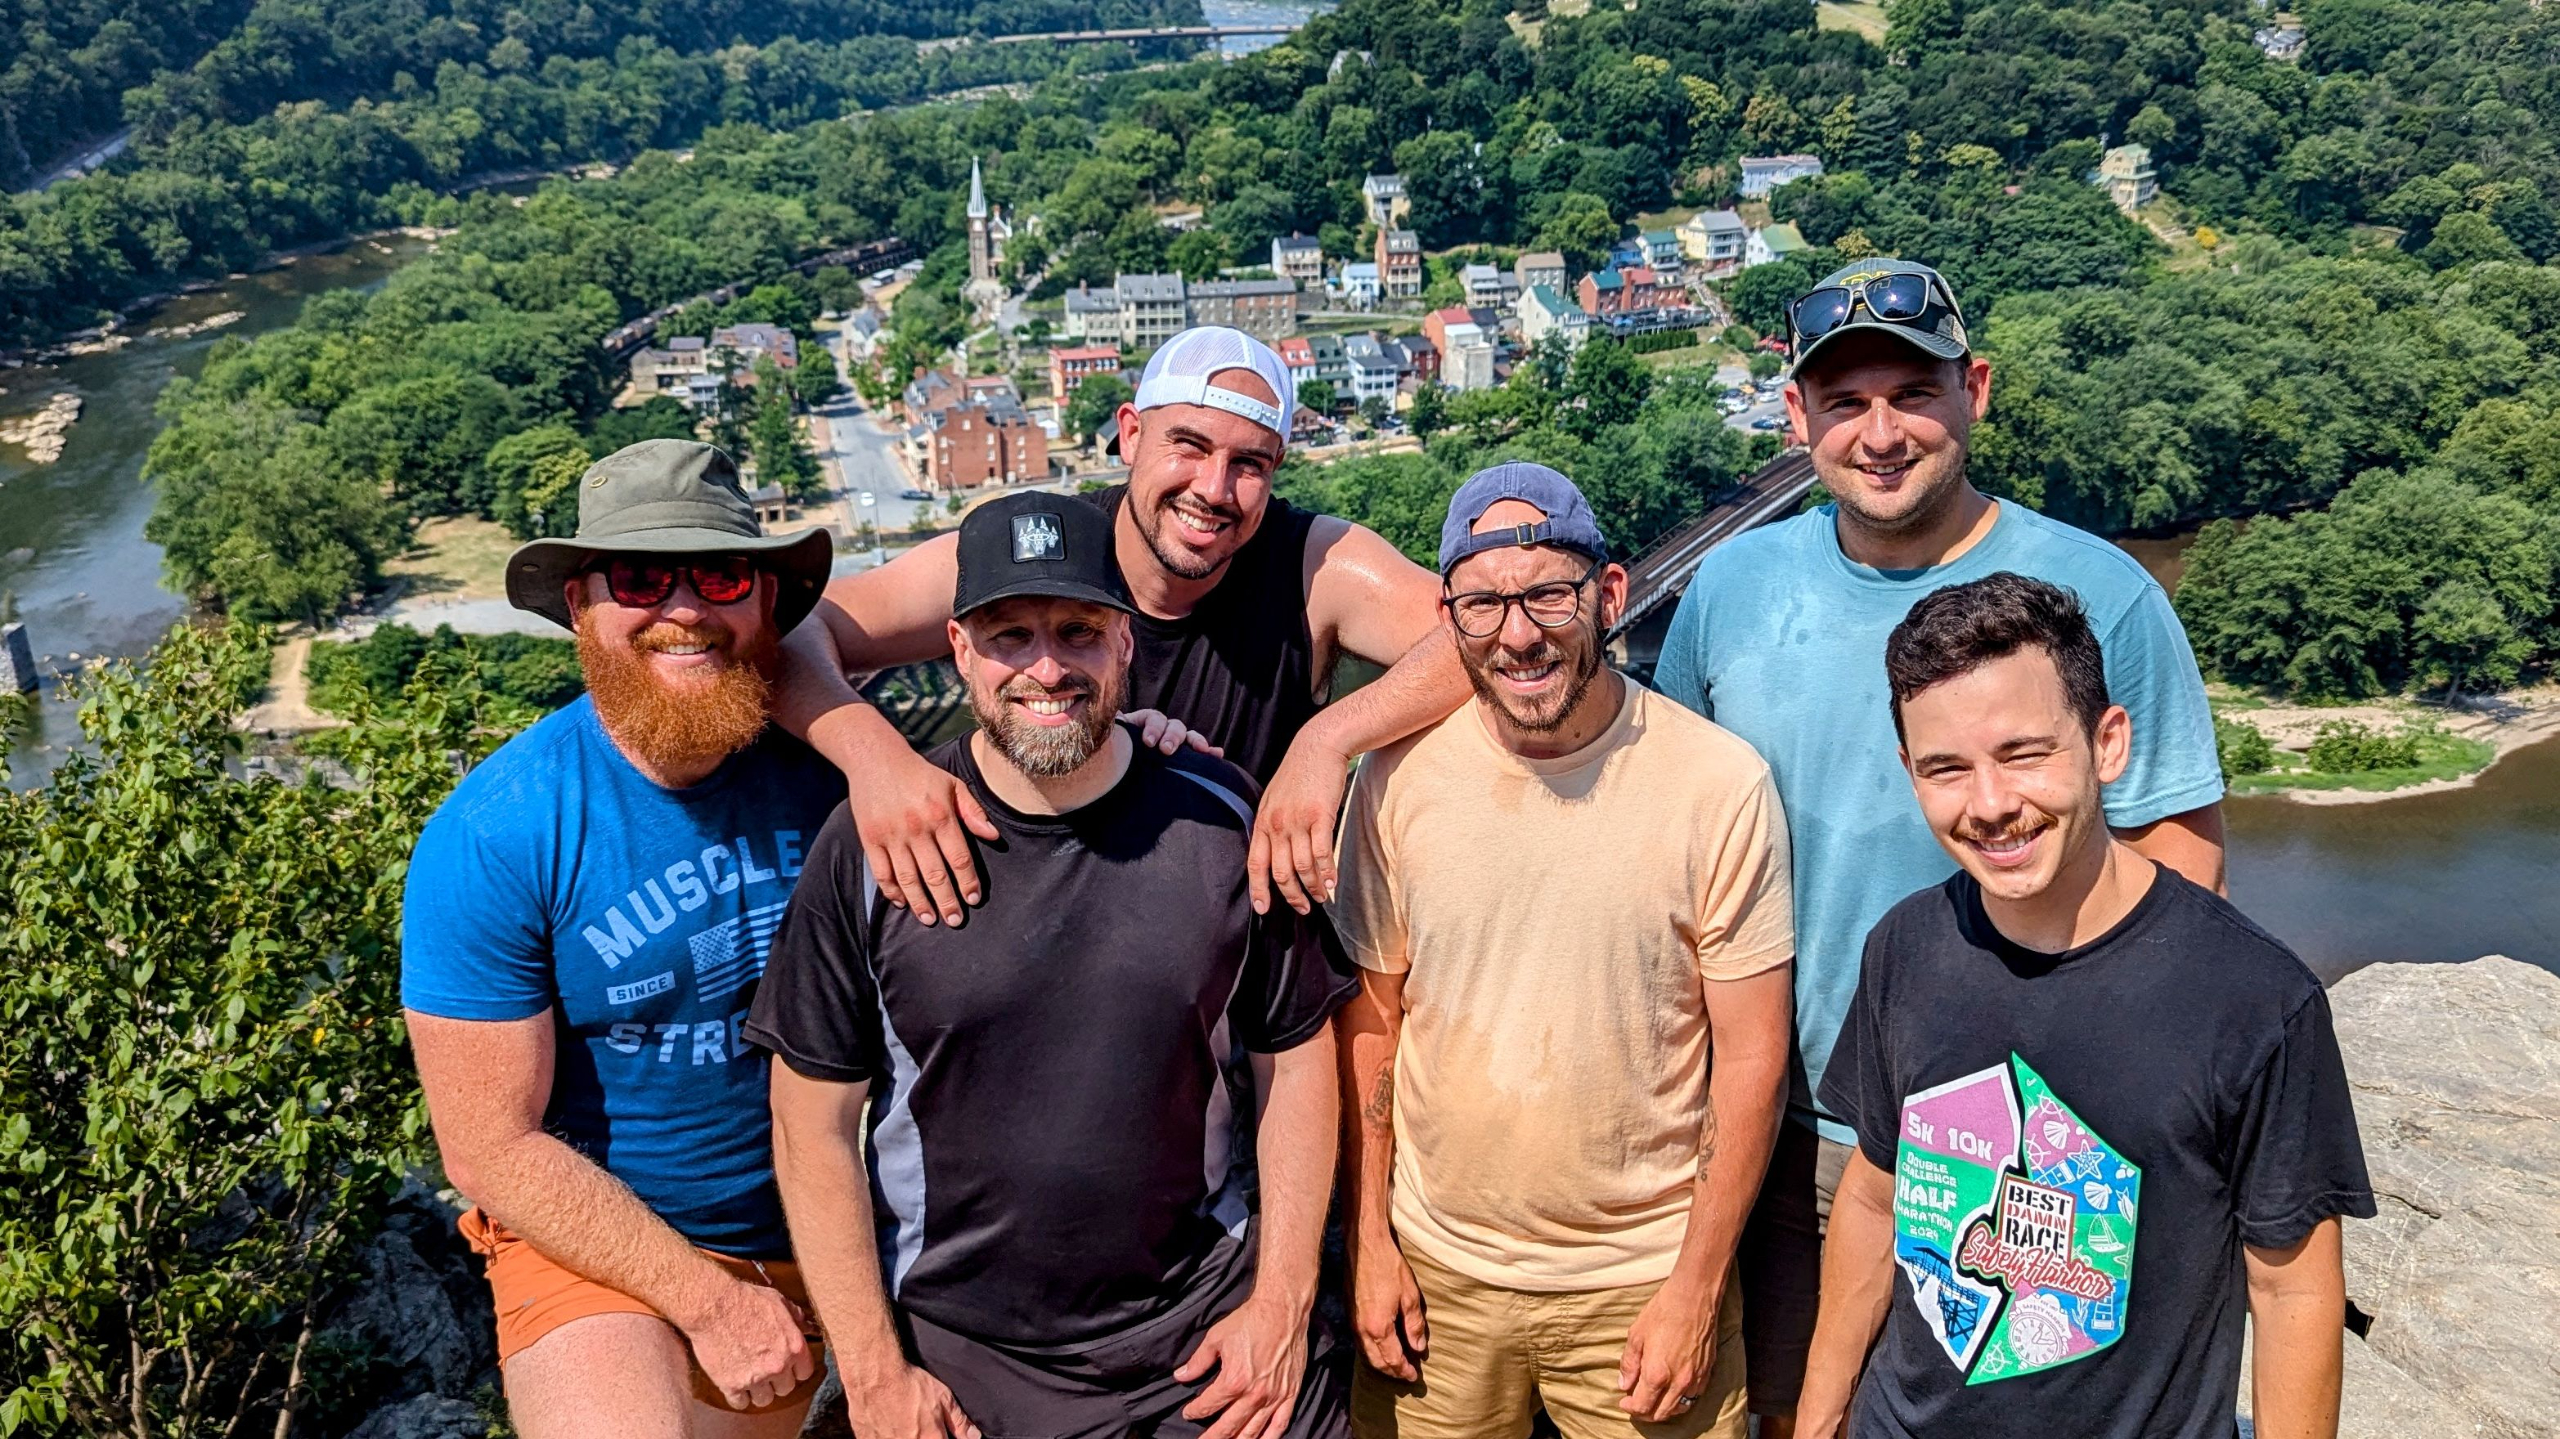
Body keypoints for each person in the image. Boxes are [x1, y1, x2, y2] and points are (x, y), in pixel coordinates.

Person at [1649, 259, 2230, 1434]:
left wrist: (2077, 1083)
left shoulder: (2100, 594)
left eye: (1912, 393)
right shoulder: (1731, 587)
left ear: (1976, 389)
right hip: (1772, 1123)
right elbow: (1664, 815)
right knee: (1789, 1406)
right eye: (1844, 401)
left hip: (2013, 1135)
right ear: (1795, 414)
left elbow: (2180, 852)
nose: (1880, 434)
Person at [748, 491, 1358, 1439]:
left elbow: (1297, 1055)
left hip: (1205, 1332)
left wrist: (1281, 1303)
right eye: (1011, 635)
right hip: (967, 1356)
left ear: (1125, 643)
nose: (1047, 667)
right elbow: (810, 1122)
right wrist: (873, 1374)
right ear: (959, 648)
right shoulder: (875, 848)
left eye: (1078, 631)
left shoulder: (1219, 819)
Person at [1795, 573, 2371, 1438]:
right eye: (1947, 768)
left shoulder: (2254, 997)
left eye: (2025, 754)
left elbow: (2292, 1288)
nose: (1991, 805)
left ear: (2107, 744)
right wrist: (1819, 1418)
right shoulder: (1903, 948)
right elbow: (1876, 1202)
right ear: (1909, 772)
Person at [1331, 464, 1797, 1439]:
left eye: (1549, 593)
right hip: (1440, 1279)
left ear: (1609, 593)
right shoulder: (1396, 779)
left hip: (1640, 1278)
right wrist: (1369, 1242)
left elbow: (1752, 1058)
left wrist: (1696, 1284)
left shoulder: (1717, 784)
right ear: (1448, 619)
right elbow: (1373, 1023)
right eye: (1484, 603)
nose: (1519, 633)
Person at [402, 440, 843, 1436]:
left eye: (721, 577)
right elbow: (488, 1144)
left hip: (834, 1230)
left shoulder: (835, 771)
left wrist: (1145, 740)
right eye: (641, 578)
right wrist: (708, 1299)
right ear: (579, 606)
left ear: (766, 600)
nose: (683, 610)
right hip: (603, 1247)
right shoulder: (501, 831)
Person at [775, 325, 1469, 928]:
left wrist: (1329, 739)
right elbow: (794, 627)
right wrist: (878, 762)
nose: (1213, 489)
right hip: (1027, 931)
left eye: (1248, 464)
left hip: (1235, 960)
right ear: (1131, 434)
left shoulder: (1311, 567)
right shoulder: (1044, 552)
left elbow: (1487, 630)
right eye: (1188, 446)